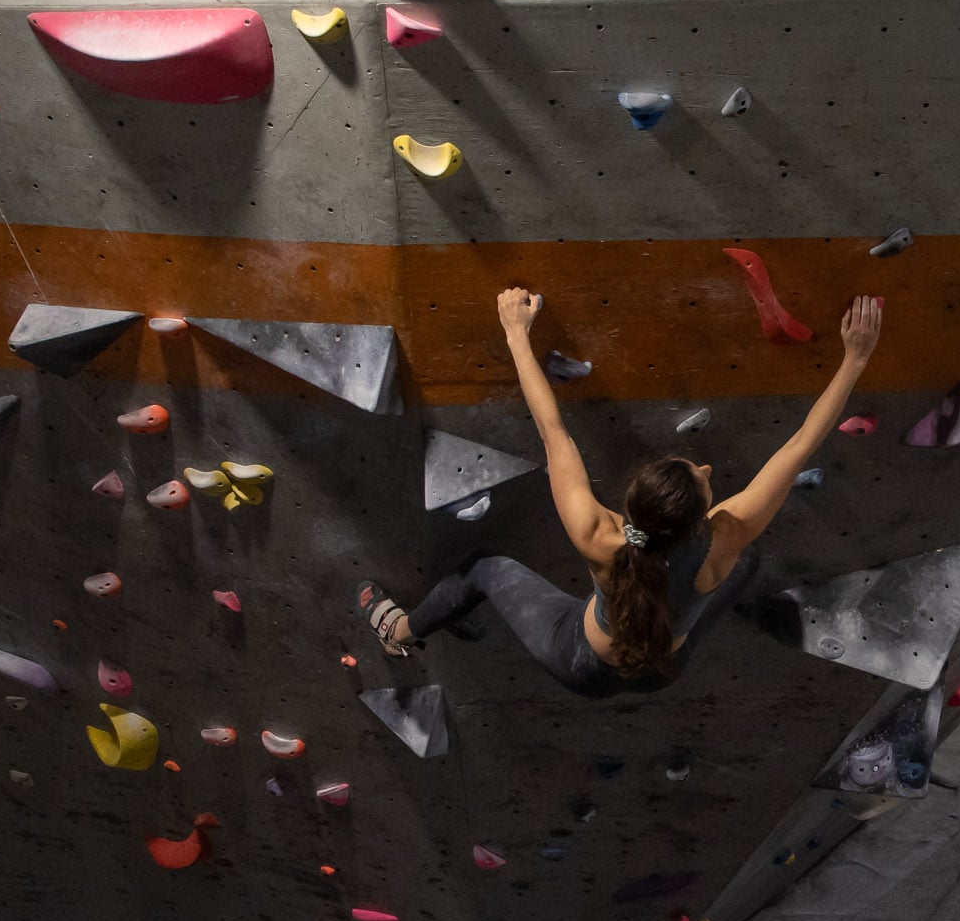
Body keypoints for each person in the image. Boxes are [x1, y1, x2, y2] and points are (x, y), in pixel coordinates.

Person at [359, 285, 884, 697]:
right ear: (700, 522)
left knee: (483, 568)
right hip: (663, 668)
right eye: (705, 478)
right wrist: (856, 359)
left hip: (585, 664)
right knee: (745, 565)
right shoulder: (724, 544)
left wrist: (516, 332)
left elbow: (553, 431)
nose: (705, 466)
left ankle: (401, 632)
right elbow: (797, 449)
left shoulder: (599, 534)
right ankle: (400, 634)